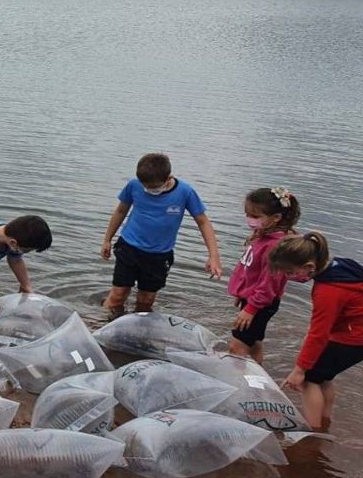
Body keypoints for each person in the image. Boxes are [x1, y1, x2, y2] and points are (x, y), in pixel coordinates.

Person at [101, 153, 222, 313]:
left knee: (146, 301)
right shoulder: (134, 185)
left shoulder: (185, 191)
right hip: (129, 247)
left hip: (159, 255)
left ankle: (138, 326)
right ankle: (101, 324)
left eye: (154, 187)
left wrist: (213, 256)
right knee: (117, 295)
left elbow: (203, 222)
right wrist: (107, 239)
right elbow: (121, 211)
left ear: (168, 178)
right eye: (145, 186)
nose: (149, 190)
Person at [270, 232, 363, 432]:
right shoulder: (341, 265)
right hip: (354, 331)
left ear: (309, 267)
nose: (287, 277)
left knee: (309, 380)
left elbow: (318, 334)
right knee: (323, 376)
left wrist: (298, 371)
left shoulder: (327, 290)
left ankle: (313, 432)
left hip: (354, 338)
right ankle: (325, 421)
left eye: (290, 272)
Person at [226, 187, 301, 363]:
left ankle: (239, 379)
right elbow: (251, 270)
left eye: (255, 216)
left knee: (236, 347)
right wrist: (242, 292)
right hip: (254, 299)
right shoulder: (262, 236)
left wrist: (251, 309)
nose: (249, 219)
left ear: (276, 218)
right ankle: (258, 375)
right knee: (254, 343)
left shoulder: (274, 246)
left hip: (260, 304)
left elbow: (269, 285)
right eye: (247, 214)